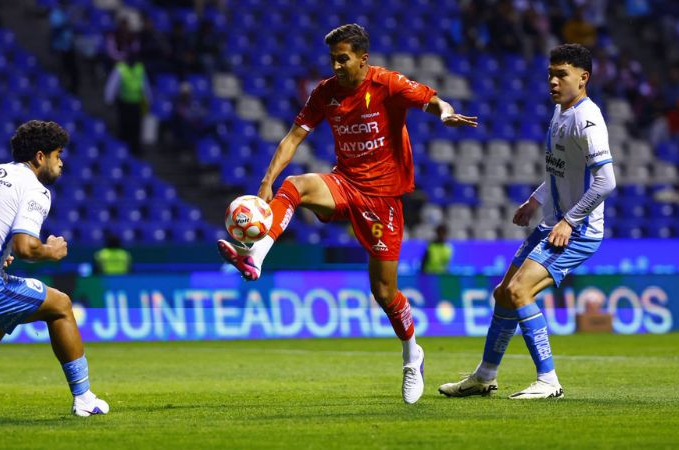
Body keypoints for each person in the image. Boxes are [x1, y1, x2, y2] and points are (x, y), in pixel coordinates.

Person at [217, 24, 477, 404]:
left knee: (384, 292)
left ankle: (411, 356)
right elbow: (293, 137)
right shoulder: (325, 92)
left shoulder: (387, 83)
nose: (337, 66)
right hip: (346, 183)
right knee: (296, 186)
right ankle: (254, 257)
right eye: (333, 59)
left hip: (383, 199)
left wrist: (445, 114)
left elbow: (432, 100)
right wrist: (266, 182)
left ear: (362, 58)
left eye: (343, 59)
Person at [439, 43, 615, 400]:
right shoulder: (560, 111)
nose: (552, 81)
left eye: (561, 74)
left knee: (519, 291)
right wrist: (537, 199)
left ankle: (549, 381)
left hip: (576, 231)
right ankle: (485, 376)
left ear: (583, 78)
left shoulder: (588, 119)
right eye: (550, 73)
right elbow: (561, 172)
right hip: (551, 222)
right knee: (503, 294)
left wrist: (569, 220)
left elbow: (606, 181)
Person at [0, 120, 109, 417]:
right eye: (58, 155)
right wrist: (51, 250)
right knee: (61, 304)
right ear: (41, 156)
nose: (61, 163)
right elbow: (26, 247)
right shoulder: (35, 188)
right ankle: (85, 398)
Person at [104, 52, 152, 155]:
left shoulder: (140, 68)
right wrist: (109, 99)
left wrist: (148, 99)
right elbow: (112, 85)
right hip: (124, 103)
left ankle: (136, 150)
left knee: (136, 127)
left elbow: (145, 85)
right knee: (124, 127)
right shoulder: (120, 68)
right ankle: (123, 150)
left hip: (136, 103)